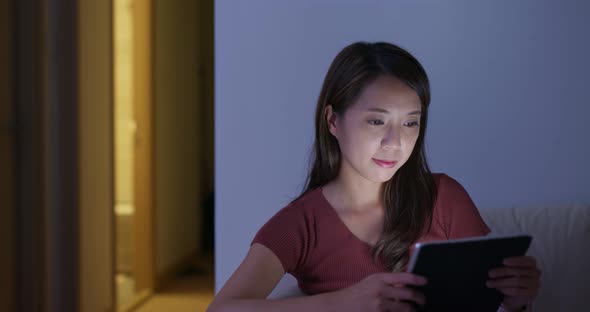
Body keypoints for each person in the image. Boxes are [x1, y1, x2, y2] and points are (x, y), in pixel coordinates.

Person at [207, 41, 541, 312]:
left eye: (410, 123)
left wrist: (514, 301)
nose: (395, 143)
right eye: (377, 121)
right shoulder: (299, 224)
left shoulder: (444, 197)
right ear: (333, 121)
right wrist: (343, 302)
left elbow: (484, 300)